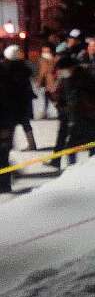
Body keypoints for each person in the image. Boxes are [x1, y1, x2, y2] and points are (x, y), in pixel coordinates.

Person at [51, 56, 95, 165]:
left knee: (77, 144)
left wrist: (71, 108)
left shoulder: (83, 78)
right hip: (77, 116)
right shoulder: (68, 79)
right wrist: (60, 103)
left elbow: (83, 98)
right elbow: (65, 97)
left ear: (71, 68)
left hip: (88, 116)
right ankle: (89, 165)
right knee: (86, 143)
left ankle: (83, 166)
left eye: (63, 69)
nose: (61, 72)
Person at [2, 44, 37, 151]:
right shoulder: (25, 67)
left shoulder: (5, 69)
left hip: (10, 100)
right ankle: (31, 143)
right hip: (24, 100)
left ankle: (7, 144)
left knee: (8, 123)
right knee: (25, 122)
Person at [0, 58, 14, 193]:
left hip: (4, 123)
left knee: (3, 155)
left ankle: (4, 184)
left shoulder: (4, 81)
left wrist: (5, 127)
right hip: (6, 123)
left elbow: (6, 104)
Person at [35, 44, 57, 119]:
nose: (45, 53)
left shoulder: (43, 59)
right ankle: (46, 111)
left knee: (50, 96)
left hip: (48, 80)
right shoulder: (53, 58)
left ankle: (47, 111)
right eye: (44, 51)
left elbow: (42, 71)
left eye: (47, 51)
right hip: (51, 80)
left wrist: (39, 81)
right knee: (49, 96)